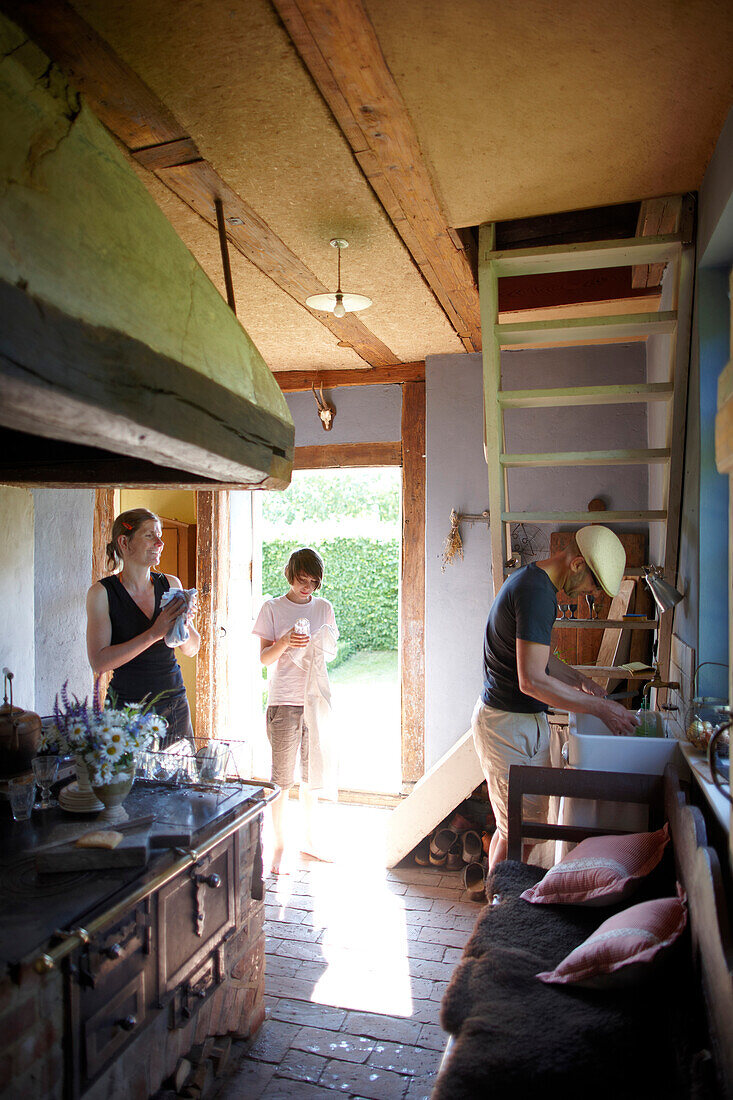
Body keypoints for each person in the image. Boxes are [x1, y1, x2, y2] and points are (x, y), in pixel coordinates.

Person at [471, 525, 639, 872]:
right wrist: (602, 709)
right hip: (505, 726)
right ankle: (500, 915)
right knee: (513, 831)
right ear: (577, 564)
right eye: (592, 584)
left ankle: (511, 902)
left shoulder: (534, 584)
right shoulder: (536, 592)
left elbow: (538, 657)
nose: (587, 594)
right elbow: (531, 680)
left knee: (526, 832)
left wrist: (581, 682)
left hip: (521, 722)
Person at [252, 547, 338, 875]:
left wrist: (317, 645)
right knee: (281, 780)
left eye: (314, 582)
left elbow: (329, 652)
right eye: (303, 580)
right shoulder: (272, 609)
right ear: (290, 575)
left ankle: (309, 840)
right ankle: (278, 846)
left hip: (314, 702)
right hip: (283, 701)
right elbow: (263, 659)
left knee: (311, 777)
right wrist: (286, 640)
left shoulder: (324, 608)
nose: (308, 587)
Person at [86, 508, 200, 746]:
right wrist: (153, 634)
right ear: (124, 542)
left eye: (160, 536)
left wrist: (184, 625)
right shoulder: (102, 593)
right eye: (150, 535)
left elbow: (191, 649)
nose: (160, 543)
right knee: (128, 782)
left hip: (173, 704)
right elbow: (99, 662)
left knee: (180, 781)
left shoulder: (171, 584)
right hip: (125, 710)